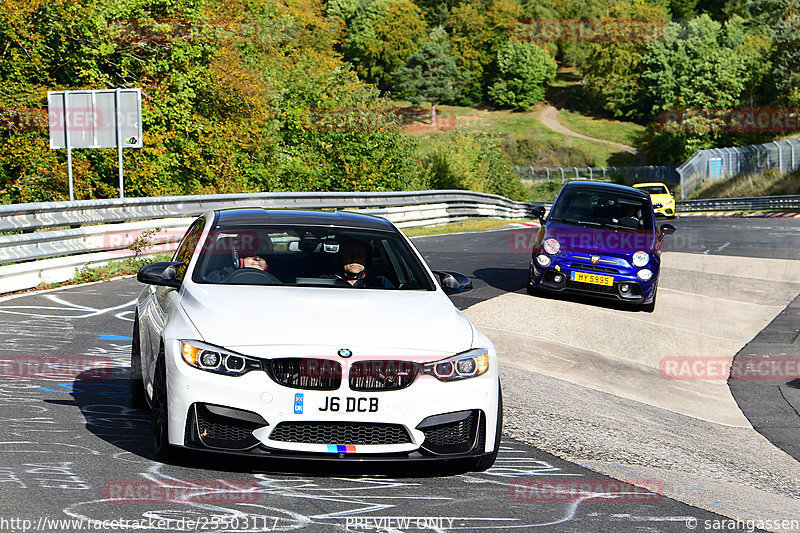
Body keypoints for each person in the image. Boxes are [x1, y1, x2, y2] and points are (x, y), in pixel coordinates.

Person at [328, 239, 394, 288]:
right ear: (341, 258)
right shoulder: (326, 281)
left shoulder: (380, 282)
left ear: (366, 258)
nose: (355, 259)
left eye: (360, 255)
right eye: (349, 255)